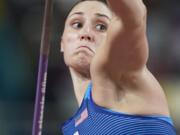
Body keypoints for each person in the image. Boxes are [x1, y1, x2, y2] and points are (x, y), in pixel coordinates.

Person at [60, 0, 176, 134]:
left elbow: (134, 15)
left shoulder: (122, 75)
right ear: (62, 42)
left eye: (101, 27)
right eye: (77, 24)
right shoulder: (70, 128)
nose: (86, 34)